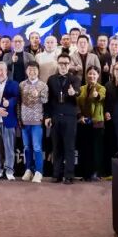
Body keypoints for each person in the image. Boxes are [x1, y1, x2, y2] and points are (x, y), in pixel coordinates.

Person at [45, 54, 80, 184]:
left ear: (69, 64)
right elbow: (48, 100)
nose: (63, 66)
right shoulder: (51, 79)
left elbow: (78, 92)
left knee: (69, 147)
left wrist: (73, 93)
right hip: (55, 116)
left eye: (66, 63)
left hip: (70, 117)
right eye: (61, 63)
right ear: (57, 64)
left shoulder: (75, 79)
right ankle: (56, 174)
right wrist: (47, 116)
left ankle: (69, 175)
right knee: (57, 147)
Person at [0, 61, 19, 181]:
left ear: (6, 71)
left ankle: (9, 171)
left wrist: (8, 103)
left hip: (9, 120)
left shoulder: (14, 84)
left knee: (9, 147)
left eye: (2, 70)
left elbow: (16, 98)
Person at [19, 61, 48, 183]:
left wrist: (39, 95)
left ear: (38, 71)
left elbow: (46, 101)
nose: (32, 72)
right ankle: (28, 170)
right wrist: (19, 119)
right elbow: (18, 103)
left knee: (37, 147)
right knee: (26, 147)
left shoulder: (43, 85)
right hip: (24, 121)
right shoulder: (21, 85)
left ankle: (38, 171)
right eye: (30, 69)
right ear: (26, 71)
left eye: (34, 69)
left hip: (37, 121)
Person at [76, 65, 106, 181]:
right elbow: (76, 103)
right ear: (86, 75)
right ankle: (85, 173)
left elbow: (101, 97)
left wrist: (96, 95)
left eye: (94, 74)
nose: (91, 76)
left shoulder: (101, 88)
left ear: (98, 76)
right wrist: (80, 116)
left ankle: (96, 173)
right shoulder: (82, 88)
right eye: (90, 73)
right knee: (84, 148)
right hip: (83, 122)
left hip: (96, 123)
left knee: (96, 150)